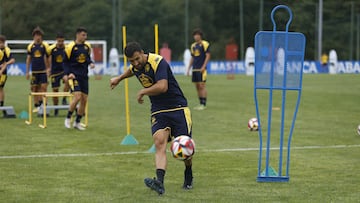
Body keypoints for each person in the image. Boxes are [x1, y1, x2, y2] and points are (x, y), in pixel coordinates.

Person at [110, 42, 194, 195]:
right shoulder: (135, 66)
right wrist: (119, 78)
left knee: (185, 149)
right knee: (159, 142)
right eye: (131, 61)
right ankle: (159, 183)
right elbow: (131, 71)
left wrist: (143, 91)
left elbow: (163, 87)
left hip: (178, 107)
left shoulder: (158, 62)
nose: (135, 63)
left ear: (142, 52)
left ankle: (188, 171)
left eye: (137, 59)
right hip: (158, 110)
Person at [64, 27, 95, 130]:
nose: (85, 37)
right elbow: (65, 62)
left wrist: (90, 63)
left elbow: (87, 58)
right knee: (77, 97)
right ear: (77, 35)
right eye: (83, 35)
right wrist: (69, 73)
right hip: (74, 76)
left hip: (84, 76)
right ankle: (68, 118)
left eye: (86, 35)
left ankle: (77, 122)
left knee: (84, 100)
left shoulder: (87, 47)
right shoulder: (70, 47)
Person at [26, 26, 50, 112]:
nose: (38, 37)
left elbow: (48, 57)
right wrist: (27, 71)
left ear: (41, 36)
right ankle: (36, 105)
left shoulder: (45, 45)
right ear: (33, 36)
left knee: (43, 87)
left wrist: (48, 69)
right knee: (34, 88)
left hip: (43, 71)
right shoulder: (30, 46)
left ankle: (44, 104)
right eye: (36, 35)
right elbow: (28, 59)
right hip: (34, 71)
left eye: (39, 35)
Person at [186, 28, 211, 110]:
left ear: (200, 36)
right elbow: (192, 57)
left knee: (202, 86)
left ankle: (204, 104)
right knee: (197, 86)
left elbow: (208, 55)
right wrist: (188, 68)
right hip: (195, 69)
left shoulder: (205, 44)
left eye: (197, 35)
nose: (196, 37)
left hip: (202, 69)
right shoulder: (193, 46)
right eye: (195, 35)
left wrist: (203, 66)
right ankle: (200, 103)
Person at [47, 32, 69, 116]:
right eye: (59, 41)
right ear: (56, 40)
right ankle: (56, 109)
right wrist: (48, 68)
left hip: (64, 71)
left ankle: (64, 99)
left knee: (67, 81)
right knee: (55, 91)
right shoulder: (51, 49)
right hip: (54, 72)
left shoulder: (67, 48)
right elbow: (47, 57)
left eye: (62, 41)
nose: (60, 43)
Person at [0, 35, 16, 117]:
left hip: (2, 73)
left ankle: (1, 106)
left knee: (0, 88)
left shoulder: (6, 50)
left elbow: (13, 60)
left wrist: (6, 63)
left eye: (2, 43)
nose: (1, 44)